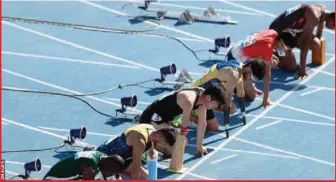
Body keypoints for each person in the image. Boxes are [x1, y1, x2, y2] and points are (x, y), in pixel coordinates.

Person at [138, 84, 226, 155]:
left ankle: (156, 141)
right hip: (151, 118)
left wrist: (200, 146)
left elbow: (202, 124)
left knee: (180, 144)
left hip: (165, 119)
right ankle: (148, 147)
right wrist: (182, 134)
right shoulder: (189, 100)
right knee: (176, 147)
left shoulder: (202, 97)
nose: (215, 107)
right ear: (208, 98)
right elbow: (185, 124)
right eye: (215, 104)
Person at [226, 29, 296, 108]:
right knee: (251, 96)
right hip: (234, 61)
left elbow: (254, 35)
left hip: (237, 49)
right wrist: (266, 99)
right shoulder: (267, 48)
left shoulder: (273, 32)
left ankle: (245, 79)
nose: (285, 51)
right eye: (286, 48)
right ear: (281, 42)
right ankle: (236, 84)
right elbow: (267, 75)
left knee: (271, 60)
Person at [191, 59, 266, 130]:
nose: (250, 77)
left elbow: (241, 93)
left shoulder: (240, 66)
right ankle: (190, 117)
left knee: (232, 110)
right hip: (202, 90)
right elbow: (227, 99)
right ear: (249, 66)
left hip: (214, 87)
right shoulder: (233, 75)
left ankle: (210, 108)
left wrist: (243, 113)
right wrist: (226, 120)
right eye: (251, 75)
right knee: (213, 128)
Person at [270, 4, 335, 78]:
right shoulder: (314, 17)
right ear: (333, 20)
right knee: (291, 68)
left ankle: (284, 51)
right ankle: (274, 53)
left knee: (316, 44)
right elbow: (305, 44)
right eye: (334, 26)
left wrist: (318, 54)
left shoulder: (323, 11)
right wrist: (302, 70)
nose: (333, 29)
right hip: (278, 33)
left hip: (293, 31)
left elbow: (319, 30)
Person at [95, 124, 177, 180]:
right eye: (164, 144)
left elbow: (150, 153)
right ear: (159, 137)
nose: (163, 147)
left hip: (125, 158)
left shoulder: (151, 130)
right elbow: (136, 169)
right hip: (108, 158)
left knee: (149, 178)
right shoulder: (140, 142)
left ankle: (121, 171)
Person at [42, 151, 125, 180]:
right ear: (109, 163)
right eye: (111, 171)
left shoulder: (102, 157)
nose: (110, 173)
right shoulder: (91, 162)